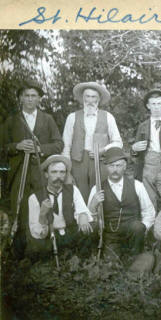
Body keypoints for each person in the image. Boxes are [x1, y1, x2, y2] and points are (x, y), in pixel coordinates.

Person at [2, 79, 63, 257]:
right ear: (20, 98)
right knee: (19, 207)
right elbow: (3, 145)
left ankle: (43, 249)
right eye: (26, 96)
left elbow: (59, 144)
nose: (29, 99)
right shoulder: (12, 120)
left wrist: (40, 149)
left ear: (39, 99)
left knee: (43, 205)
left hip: (40, 171)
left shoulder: (47, 119)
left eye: (33, 96)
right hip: (18, 172)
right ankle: (18, 252)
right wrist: (17, 146)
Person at [88, 147, 155, 258]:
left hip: (133, 234)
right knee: (112, 266)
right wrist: (93, 205)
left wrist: (143, 228)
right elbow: (89, 218)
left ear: (124, 167)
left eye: (118, 165)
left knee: (137, 228)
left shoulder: (137, 185)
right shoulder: (97, 188)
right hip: (111, 237)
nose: (115, 169)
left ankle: (136, 256)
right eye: (111, 166)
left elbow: (149, 212)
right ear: (106, 167)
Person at [62, 82, 123, 200]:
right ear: (82, 98)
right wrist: (66, 169)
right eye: (87, 96)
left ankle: (100, 218)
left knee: (100, 193)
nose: (90, 100)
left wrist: (103, 150)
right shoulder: (72, 117)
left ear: (99, 99)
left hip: (100, 162)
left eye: (93, 97)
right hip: (77, 162)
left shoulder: (108, 117)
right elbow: (66, 145)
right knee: (78, 195)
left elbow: (118, 143)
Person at [26, 155, 94, 260]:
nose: (58, 176)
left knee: (89, 233)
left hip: (70, 235)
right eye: (54, 172)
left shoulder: (72, 190)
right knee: (37, 251)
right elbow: (38, 233)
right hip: (50, 239)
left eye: (62, 172)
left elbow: (82, 209)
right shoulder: (34, 198)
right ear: (46, 174)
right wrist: (42, 215)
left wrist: (83, 217)